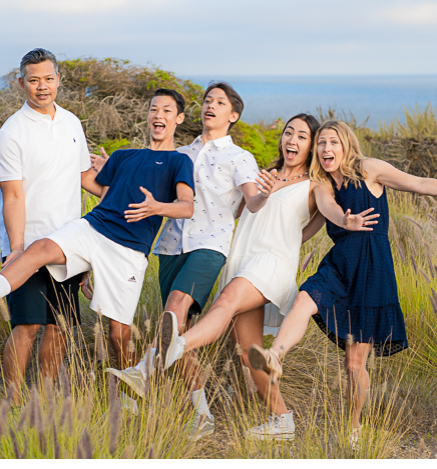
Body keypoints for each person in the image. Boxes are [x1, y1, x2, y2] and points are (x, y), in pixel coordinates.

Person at [247, 120, 437, 446]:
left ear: (346, 145)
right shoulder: (322, 184)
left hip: (372, 272)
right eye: (322, 144)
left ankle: (353, 428)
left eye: (333, 142)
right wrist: (343, 220)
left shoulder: (369, 169)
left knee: (354, 363)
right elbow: (325, 209)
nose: (327, 149)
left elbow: (419, 183)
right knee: (303, 299)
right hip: (339, 266)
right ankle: (275, 358)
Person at [152, 113, 380, 441]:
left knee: (228, 301)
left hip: (272, 264)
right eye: (289, 133)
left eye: (302, 136)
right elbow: (232, 208)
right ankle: (282, 419)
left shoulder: (315, 185)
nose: (292, 140)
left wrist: (345, 221)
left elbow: (329, 210)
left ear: (311, 146)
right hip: (242, 260)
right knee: (248, 351)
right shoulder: (264, 175)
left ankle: (176, 346)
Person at [0, 90, 195, 368]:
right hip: (94, 226)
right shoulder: (123, 156)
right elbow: (103, 188)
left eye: (167, 111)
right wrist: (101, 167)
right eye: (154, 109)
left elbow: (186, 207)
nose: (159, 115)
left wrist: (156, 207)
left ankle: (133, 392)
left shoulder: (179, 161)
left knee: (118, 334)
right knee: (39, 248)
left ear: (179, 118)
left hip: (129, 249)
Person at [109, 82, 264, 438]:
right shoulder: (180, 153)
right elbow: (150, 188)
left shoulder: (239, 157)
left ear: (233, 115)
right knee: (174, 332)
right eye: (208, 100)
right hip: (170, 247)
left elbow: (251, 203)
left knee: (177, 305)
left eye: (220, 102)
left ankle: (143, 373)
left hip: (210, 247)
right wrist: (115, 169)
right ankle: (202, 415)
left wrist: (263, 195)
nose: (211, 105)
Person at [0, 48, 93, 387]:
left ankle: (46, 403)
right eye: (34, 80)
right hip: (28, 246)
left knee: (60, 327)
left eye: (48, 79)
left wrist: (119, 194)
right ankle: (14, 402)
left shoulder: (72, 123)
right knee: (27, 326)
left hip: (67, 245)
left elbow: (85, 177)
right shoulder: (12, 132)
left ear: (59, 80)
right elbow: (13, 195)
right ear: (21, 84)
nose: (42, 86)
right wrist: (16, 250)